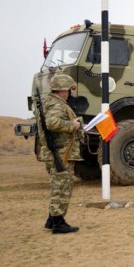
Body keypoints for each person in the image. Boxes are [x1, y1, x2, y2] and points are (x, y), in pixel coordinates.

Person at [36, 74, 82, 234]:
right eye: (68, 90)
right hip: (61, 153)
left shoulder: (53, 103)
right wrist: (72, 125)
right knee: (62, 186)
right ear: (63, 90)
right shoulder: (56, 105)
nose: (69, 93)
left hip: (61, 152)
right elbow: (52, 123)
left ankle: (52, 219)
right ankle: (58, 222)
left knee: (60, 184)